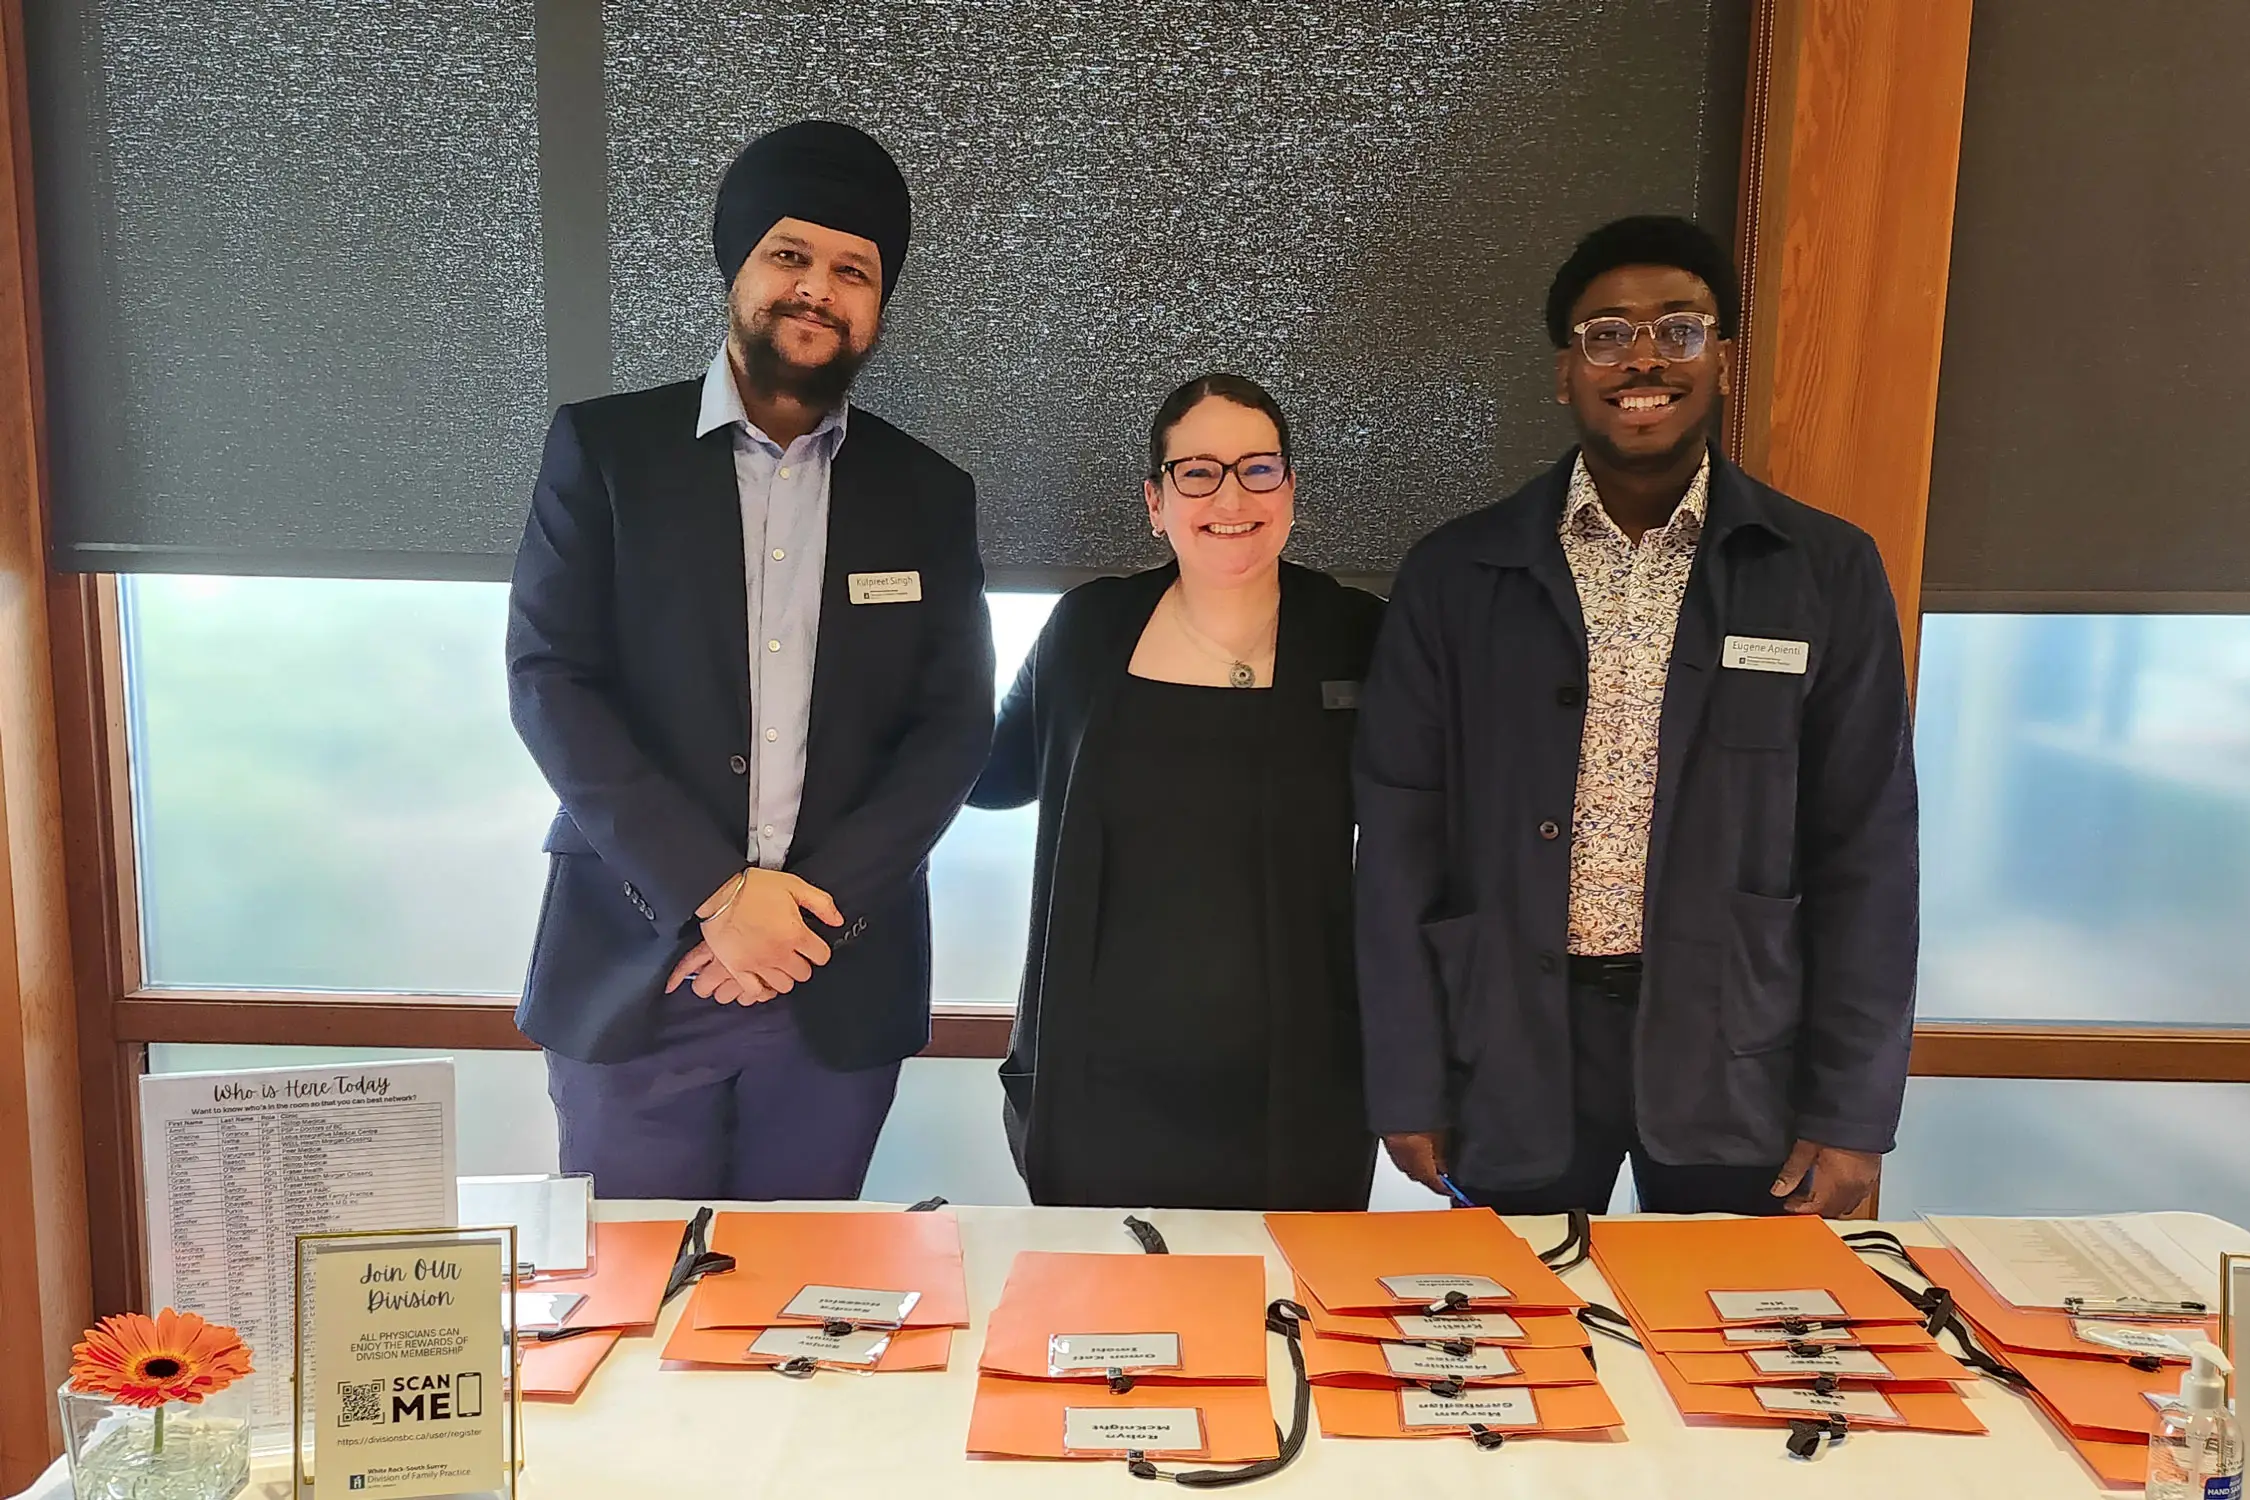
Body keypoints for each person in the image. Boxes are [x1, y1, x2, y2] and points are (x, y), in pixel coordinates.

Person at [1355, 216, 1916, 1218]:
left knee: (1732, 1358)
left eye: (1680, 329)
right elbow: (1398, 842)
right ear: (1566, 371)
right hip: (1513, 1042)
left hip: (1737, 1048)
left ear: (1724, 361)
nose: (1644, 358)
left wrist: (1853, 1107)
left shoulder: (1823, 571)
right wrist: (1407, 1078)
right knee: (1518, 1349)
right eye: (1607, 334)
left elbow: (1866, 848)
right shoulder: (1455, 575)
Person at [506, 121, 994, 1201]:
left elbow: (953, 727)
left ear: (877, 305)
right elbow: (551, 682)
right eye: (791, 255)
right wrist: (714, 898)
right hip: (636, 965)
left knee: (797, 1332)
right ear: (739, 267)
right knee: (629, 1316)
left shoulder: (927, 495)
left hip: (833, 977)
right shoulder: (605, 452)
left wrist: (802, 916)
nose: (817, 288)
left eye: (853, 270)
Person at [971, 374, 1383, 1210]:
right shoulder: (1088, 629)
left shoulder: (1359, 633)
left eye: (1258, 469)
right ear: (1156, 502)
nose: (1231, 494)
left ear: (1291, 489)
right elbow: (990, 774)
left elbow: (1423, 827)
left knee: (1286, 1317)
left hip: (1296, 1082)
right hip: (1100, 1076)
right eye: (1197, 472)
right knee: (1110, 1316)